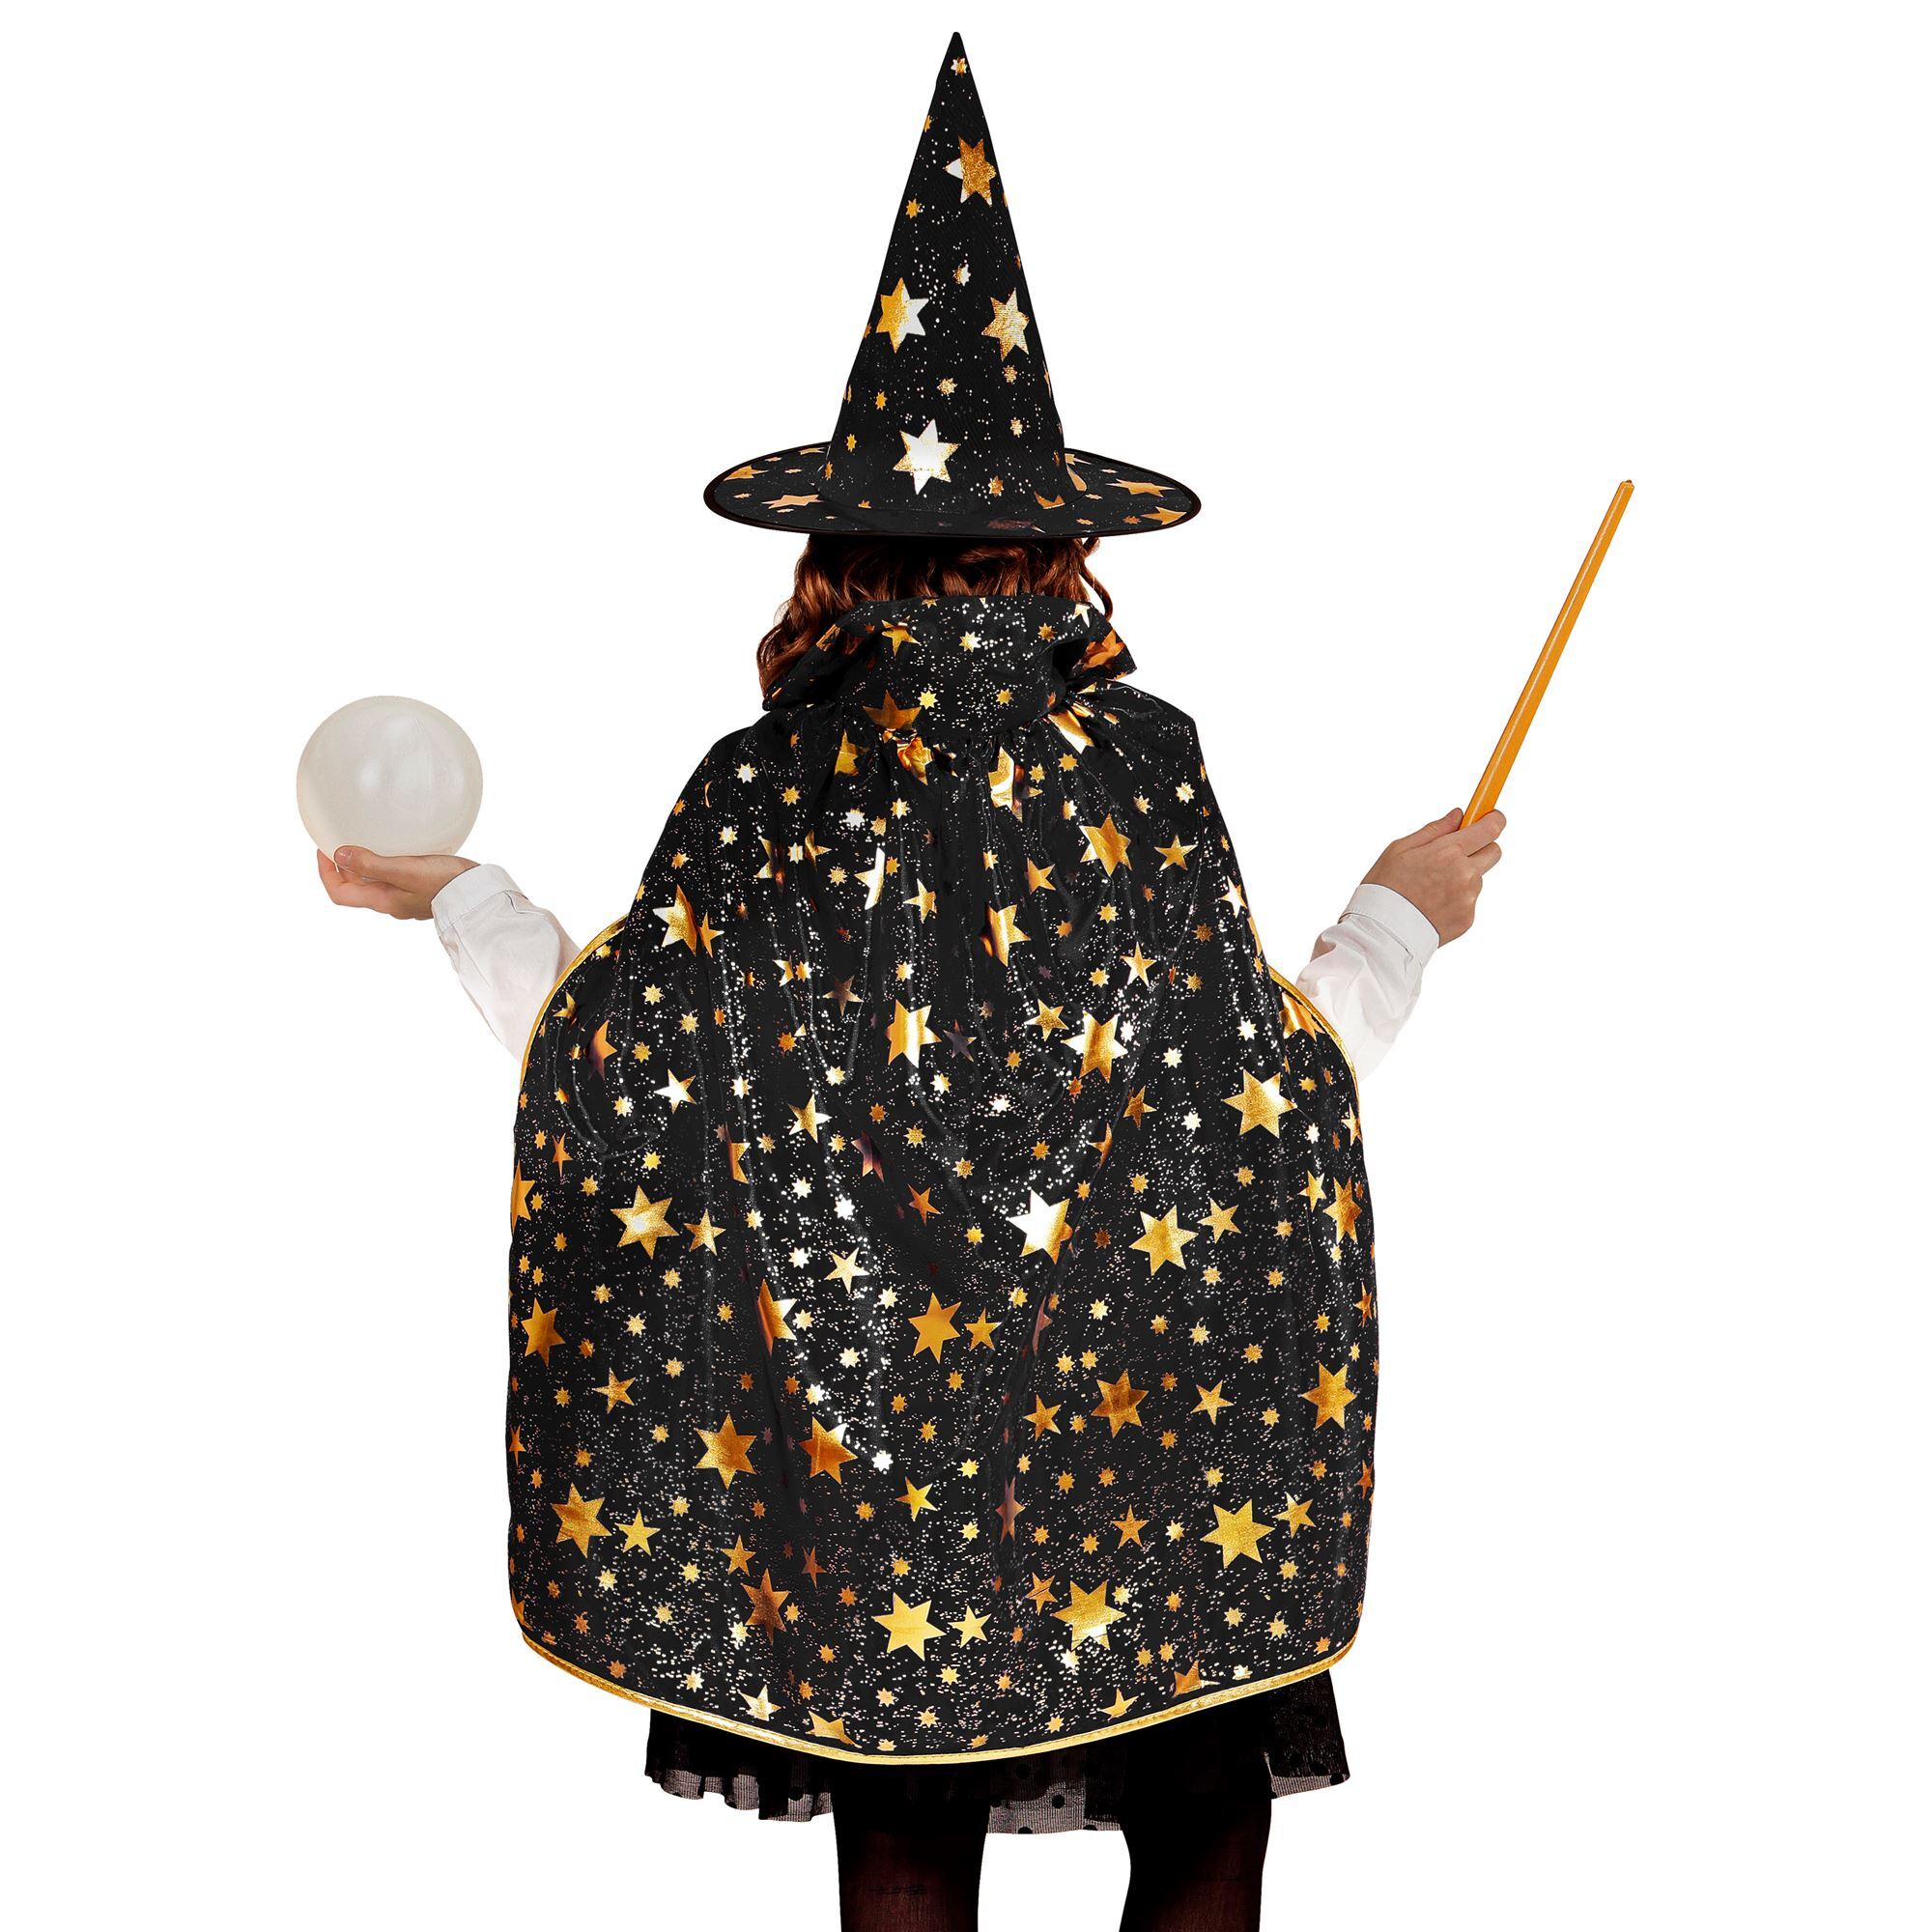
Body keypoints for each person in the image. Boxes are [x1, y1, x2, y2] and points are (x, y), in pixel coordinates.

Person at [320, 36, 1501, 1932]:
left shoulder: (767, 786)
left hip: (869, 1453)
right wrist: (1402, 912)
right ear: (1060, 540)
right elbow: (1264, 1083)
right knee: (1201, 1805)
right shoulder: (1135, 768)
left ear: (837, 543)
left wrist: (464, 896)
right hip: (1141, 1429)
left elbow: (628, 1059)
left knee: (904, 1824)